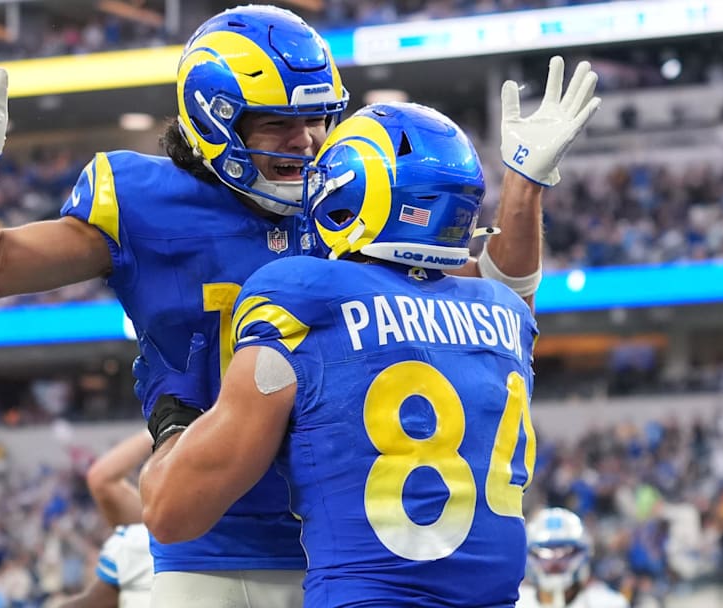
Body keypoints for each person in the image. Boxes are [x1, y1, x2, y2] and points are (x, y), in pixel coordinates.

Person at [0, 1, 598, 602]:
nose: (305, 141)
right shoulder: (143, 200)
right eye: (278, 123)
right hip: (205, 538)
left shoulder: (352, 195)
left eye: (317, 119)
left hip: (336, 546)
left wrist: (525, 187)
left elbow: (491, 290)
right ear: (215, 119)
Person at [140, 101, 545, 606]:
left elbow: (172, 512)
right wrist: (527, 185)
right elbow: (506, 285)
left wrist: (173, 421)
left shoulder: (302, 295)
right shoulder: (507, 314)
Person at [57, 429, 155, 608]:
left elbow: (101, 479)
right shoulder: (143, 535)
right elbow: (101, 480)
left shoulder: (134, 541)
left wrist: (165, 426)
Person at [516, 508, 629, 608]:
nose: (555, 562)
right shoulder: (517, 602)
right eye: (544, 553)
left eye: (565, 552)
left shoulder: (607, 603)